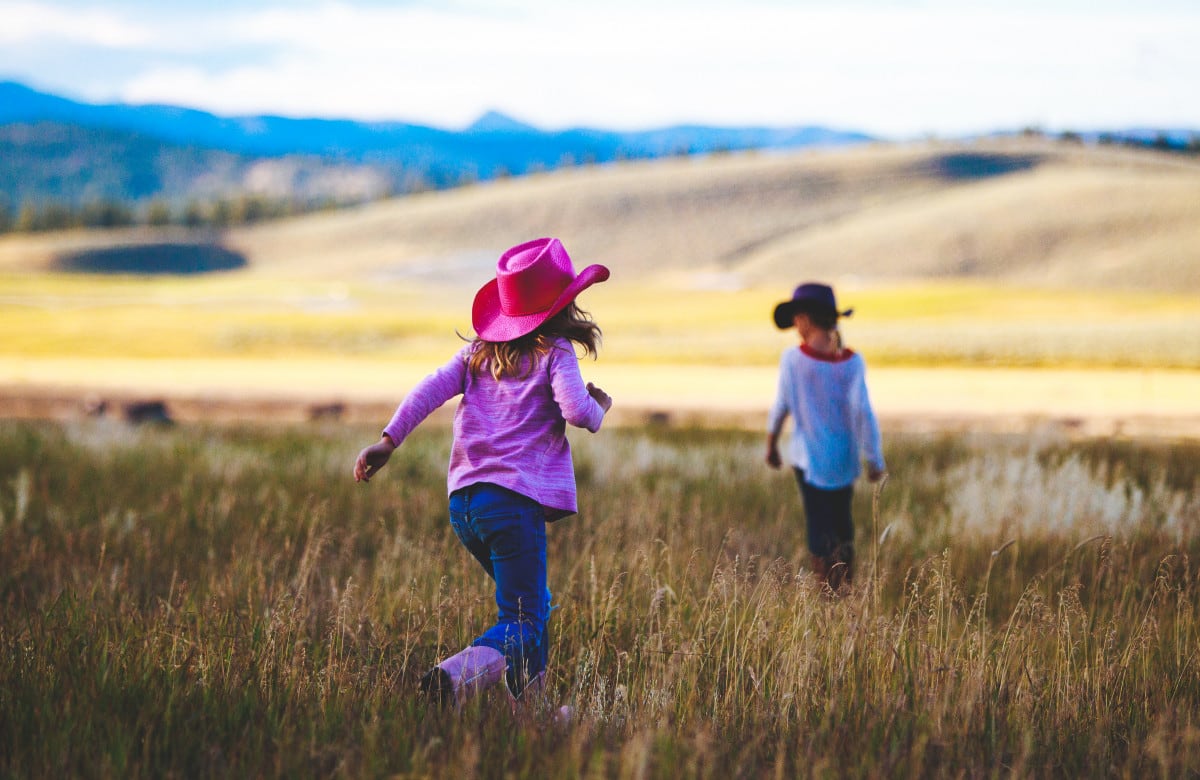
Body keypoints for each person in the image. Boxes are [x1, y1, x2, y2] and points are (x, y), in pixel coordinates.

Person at [354, 237, 613, 707]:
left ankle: (531, 711)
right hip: (514, 504)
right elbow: (576, 410)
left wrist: (389, 440)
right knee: (525, 619)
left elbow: (429, 388)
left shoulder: (476, 353)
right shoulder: (556, 352)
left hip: (466, 505)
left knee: (532, 607)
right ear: (563, 305)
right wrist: (599, 408)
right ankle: (456, 677)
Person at [765, 283, 885, 591]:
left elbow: (781, 405)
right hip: (844, 460)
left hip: (809, 459)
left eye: (796, 318)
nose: (795, 326)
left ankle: (826, 594)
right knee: (843, 524)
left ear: (805, 318)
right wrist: (874, 459)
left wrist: (772, 444)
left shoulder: (793, 360)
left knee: (818, 525)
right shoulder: (853, 362)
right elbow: (864, 413)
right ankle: (846, 588)